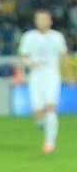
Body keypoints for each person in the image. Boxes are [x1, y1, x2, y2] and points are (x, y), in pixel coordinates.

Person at [18, 9, 75, 154]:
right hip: (35, 77)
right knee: (38, 113)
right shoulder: (29, 37)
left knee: (50, 108)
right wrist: (27, 64)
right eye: (40, 19)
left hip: (52, 76)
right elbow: (22, 56)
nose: (43, 21)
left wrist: (70, 76)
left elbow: (64, 57)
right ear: (35, 21)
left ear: (50, 21)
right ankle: (45, 124)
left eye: (45, 19)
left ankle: (49, 143)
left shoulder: (57, 37)